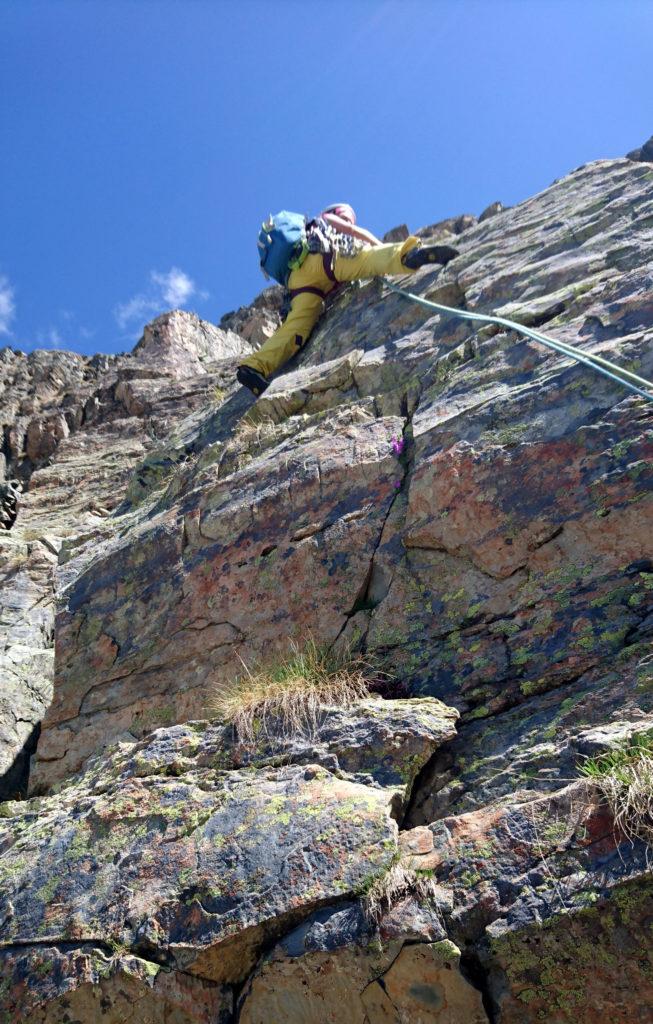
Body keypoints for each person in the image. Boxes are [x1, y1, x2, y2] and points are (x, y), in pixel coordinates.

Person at [236, 204, 459, 396]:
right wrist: (377, 245)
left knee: (297, 325)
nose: (348, 219)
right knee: (369, 258)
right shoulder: (325, 220)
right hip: (324, 255)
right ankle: (408, 255)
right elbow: (355, 235)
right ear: (336, 212)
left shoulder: (297, 241)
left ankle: (254, 367)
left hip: (299, 281)